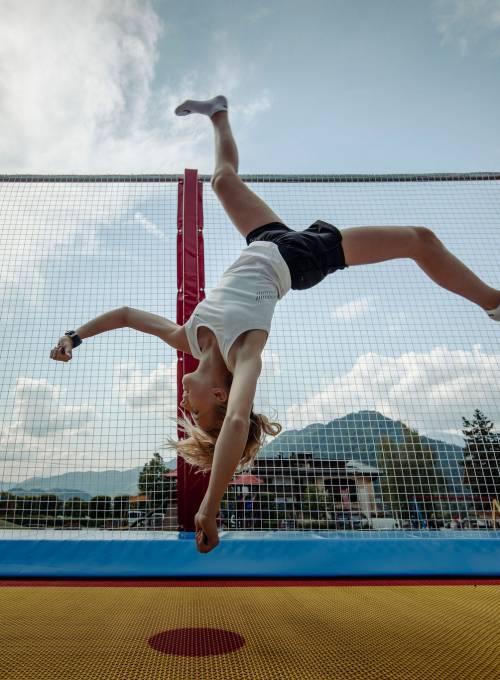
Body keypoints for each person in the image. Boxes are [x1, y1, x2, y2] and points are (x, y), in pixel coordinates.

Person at [50, 95, 500, 554]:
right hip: (300, 260)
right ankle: (494, 304)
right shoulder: (244, 354)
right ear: (220, 395)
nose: (186, 404)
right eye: (197, 412)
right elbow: (238, 420)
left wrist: (75, 337)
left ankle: (218, 113)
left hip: (265, 241)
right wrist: (210, 505)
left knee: (222, 180)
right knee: (419, 240)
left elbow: (126, 316)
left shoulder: (184, 337)